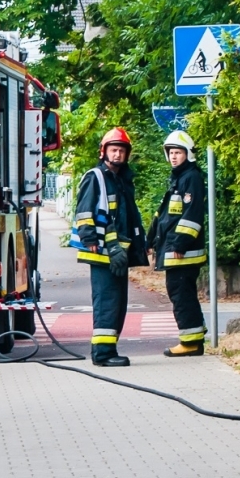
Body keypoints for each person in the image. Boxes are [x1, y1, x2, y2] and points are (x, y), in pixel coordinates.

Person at [73, 127, 147, 366]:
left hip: (119, 252)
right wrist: (90, 240)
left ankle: (109, 349)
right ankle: (103, 354)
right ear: (103, 152)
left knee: (117, 303)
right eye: (114, 150)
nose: (118, 154)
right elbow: (84, 213)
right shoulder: (95, 177)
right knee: (107, 302)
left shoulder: (122, 180)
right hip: (102, 252)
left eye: (122, 150)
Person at [151, 131, 209, 357]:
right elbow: (166, 215)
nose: (174, 157)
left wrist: (178, 245)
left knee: (181, 294)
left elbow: (191, 216)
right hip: (178, 250)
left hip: (184, 252)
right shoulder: (179, 178)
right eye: (171, 153)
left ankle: (190, 343)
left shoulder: (190, 178)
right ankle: (195, 335)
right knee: (182, 293)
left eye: (178, 152)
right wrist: (151, 238)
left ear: (188, 154)